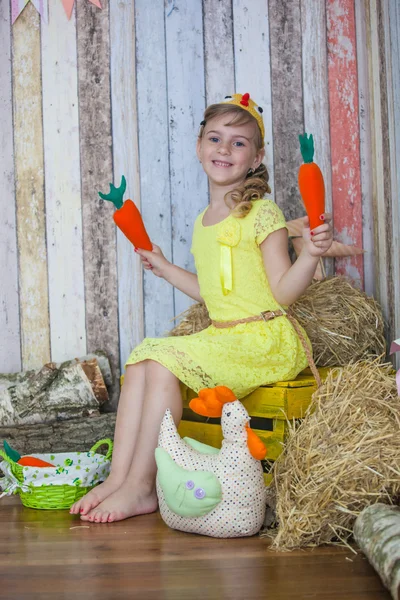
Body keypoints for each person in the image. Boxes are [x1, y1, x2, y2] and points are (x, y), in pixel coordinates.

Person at [70, 92, 333, 523]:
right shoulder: (203, 220)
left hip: (264, 338)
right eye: (215, 138)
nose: (224, 149)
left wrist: (310, 255)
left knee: (163, 363)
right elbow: (216, 297)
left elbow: (283, 293)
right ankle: (118, 478)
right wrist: (165, 266)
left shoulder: (261, 213)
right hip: (226, 334)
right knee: (141, 361)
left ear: (256, 157)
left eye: (238, 142)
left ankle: (141, 488)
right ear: (198, 147)